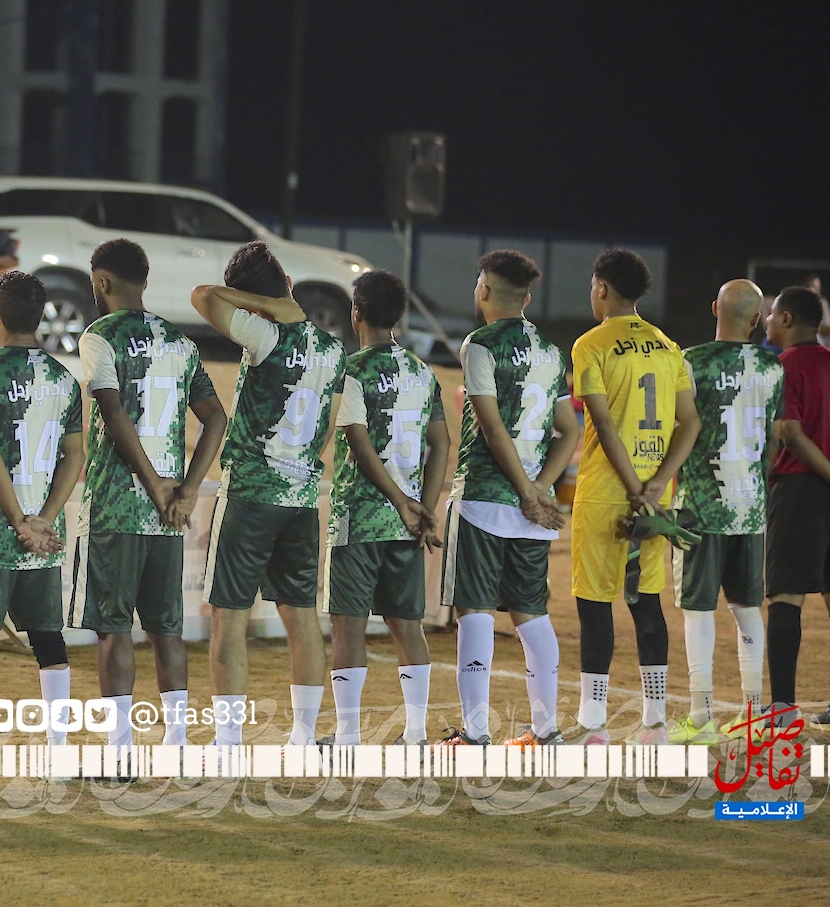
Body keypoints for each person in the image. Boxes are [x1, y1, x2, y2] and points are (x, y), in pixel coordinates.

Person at [72, 238, 226, 757]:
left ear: (101, 282)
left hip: (117, 505)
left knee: (114, 630)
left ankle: (120, 751)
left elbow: (113, 412)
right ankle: (177, 746)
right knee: (166, 632)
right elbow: (216, 418)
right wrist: (185, 489)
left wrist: (152, 480)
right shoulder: (179, 342)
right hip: (168, 514)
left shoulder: (99, 335)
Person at [191, 241, 346, 749]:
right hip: (302, 498)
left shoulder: (264, 334)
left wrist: (266, 307)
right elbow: (327, 424)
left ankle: (228, 743)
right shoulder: (332, 349)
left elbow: (203, 296)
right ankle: (303, 736)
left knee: (229, 618)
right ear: (289, 287)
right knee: (300, 617)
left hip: (251, 494)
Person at [438, 251, 581, 747]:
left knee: (474, 611)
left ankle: (475, 734)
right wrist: (541, 488)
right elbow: (569, 431)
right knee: (531, 613)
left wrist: (525, 490)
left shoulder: (480, 344)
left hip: (484, 497)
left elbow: (492, 427)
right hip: (531, 511)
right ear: (527, 298)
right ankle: (546, 730)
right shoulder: (551, 351)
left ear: (483, 291)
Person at [0, 271, 86, 780]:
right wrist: (42, 519)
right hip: (45, 534)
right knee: (48, 638)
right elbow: (76, 456)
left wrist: (16, 521)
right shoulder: (64, 378)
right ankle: (58, 754)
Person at [568, 248, 700, 744]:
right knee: (646, 602)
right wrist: (656, 484)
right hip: (655, 497)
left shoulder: (590, 344)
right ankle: (655, 721)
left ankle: (593, 723)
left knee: (594, 604)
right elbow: (691, 423)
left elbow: (602, 423)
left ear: (602, 288)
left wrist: (629, 487)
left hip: (606, 490)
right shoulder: (669, 347)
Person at [319, 269, 449, 748]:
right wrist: (423, 509)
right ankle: (415, 734)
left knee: (347, 627)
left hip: (359, 517)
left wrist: (399, 501)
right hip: (408, 524)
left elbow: (358, 442)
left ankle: (348, 736)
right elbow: (442, 443)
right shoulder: (421, 371)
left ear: (356, 314)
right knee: (407, 626)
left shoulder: (350, 370)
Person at [668, 279, 784, 745]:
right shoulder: (773, 367)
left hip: (700, 504)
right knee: (747, 607)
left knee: (698, 610)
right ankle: (754, 712)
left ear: (714, 308)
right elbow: (774, 439)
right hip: (750, 503)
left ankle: (701, 717)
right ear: (757, 319)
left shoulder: (690, 361)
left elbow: (679, 427)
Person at [761, 286, 830, 732]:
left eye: (772, 313)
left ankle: (782, 709)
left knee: (785, 595)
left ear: (787, 319)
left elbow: (791, 433)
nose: (767, 320)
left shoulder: (785, 365)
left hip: (802, 489)